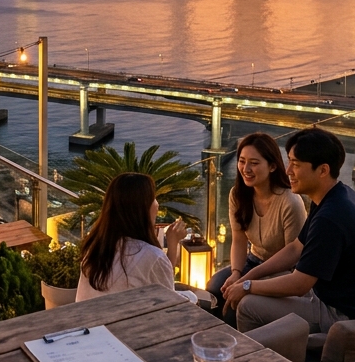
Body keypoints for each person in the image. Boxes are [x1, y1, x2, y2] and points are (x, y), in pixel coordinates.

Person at [224, 127, 355, 334]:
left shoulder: (330, 216)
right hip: (346, 299)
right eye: (289, 161)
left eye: (296, 164)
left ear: (323, 170)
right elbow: (295, 248)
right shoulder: (335, 195)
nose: (288, 170)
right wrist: (247, 277)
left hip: (348, 313)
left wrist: (247, 287)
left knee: (248, 306)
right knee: (242, 292)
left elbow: (300, 284)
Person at [207, 133, 306, 322]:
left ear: (272, 166)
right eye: (242, 161)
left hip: (281, 271)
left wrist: (247, 280)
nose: (246, 169)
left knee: (235, 304)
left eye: (254, 163)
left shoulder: (290, 202)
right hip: (253, 261)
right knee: (215, 289)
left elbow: (293, 256)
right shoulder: (238, 195)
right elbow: (238, 239)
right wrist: (236, 272)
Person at [76, 172, 187, 302]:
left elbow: (154, 272)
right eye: (153, 198)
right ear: (142, 208)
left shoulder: (96, 249)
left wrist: (171, 244)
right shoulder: (150, 255)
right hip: (127, 321)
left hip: (93, 321)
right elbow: (169, 305)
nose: (157, 204)